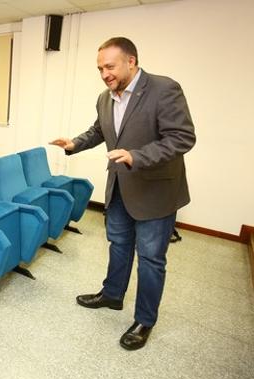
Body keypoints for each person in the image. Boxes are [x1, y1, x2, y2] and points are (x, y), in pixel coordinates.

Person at [50, 37, 196, 350]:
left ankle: (145, 320)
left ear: (131, 61)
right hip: (119, 188)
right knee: (118, 246)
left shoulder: (164, 89)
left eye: (110, 66)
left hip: (155, 192)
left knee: (151, 260)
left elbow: (182, 138)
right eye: (100, 68)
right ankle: (112, 295)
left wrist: (137, 156)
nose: (104, 73)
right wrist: (75, 143)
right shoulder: (105, 98)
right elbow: (100, 131)